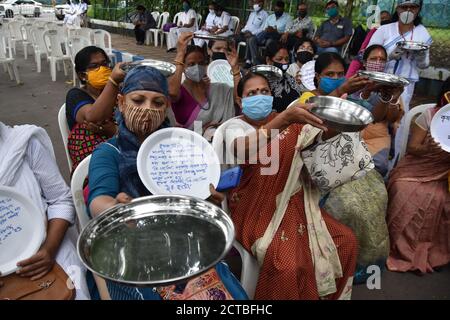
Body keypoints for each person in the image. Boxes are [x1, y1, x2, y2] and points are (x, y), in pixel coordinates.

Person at [87, 65, 248, 300]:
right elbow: (97, 201)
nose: (147, 110)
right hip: (131, 254)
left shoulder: (180, 147)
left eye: (158, 103)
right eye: (138, 100)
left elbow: (189, 193)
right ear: (121, 102)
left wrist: (204, 199)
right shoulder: (109, 152)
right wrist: (116, 208)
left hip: (184, 245)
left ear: (166, 109)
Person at [222, 72, 358, 299]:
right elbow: (242, 150)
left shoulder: (290, 120)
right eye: (252, 93)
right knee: (287, 265)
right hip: (254, 207)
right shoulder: (235, 127)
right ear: (240, 101)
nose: (259, 96)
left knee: (346, 240)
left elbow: (316, 120)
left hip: (294, 200)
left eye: (264, 91)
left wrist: (337, 113)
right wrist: (285, 120)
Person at [298, 52, 391, 284]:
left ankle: (365, 262)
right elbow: (310, 127)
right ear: (318, 77)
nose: (337, 78)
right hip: (319, 168)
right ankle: (339, 263)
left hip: (349, 162)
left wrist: (387, 97)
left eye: (340, 74)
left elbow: (373, 117)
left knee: (378, 195)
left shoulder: (349, 98)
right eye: (330, 74)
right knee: (350, 207)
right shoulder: (306, 98)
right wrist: (340, 91)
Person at [0, 122, 90, 300]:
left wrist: (49, 249)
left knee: (72, 291)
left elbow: (60, 200)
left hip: (46, 249)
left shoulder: (23, 143)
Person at [386, 78, 450, 274]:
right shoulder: (429, 116)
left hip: (444, 173)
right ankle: (403, 251)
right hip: (417, 167)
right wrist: (429, 148)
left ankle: (432, 253)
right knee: (405, 191)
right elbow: (413, 148)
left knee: (441, 199)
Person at [368, 0, 432, 164]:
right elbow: (370, 54)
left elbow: (424, 65)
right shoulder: (384, 30)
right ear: (397, 8)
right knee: (376, 115)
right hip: (381, 80)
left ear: (418, 9)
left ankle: (393, 160)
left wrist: (420, 55)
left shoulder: (422, 33)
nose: (408, 11)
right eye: (405, 7)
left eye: (413, 7)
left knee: (399, 121)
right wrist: (393, 53)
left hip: (405, 84)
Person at [65, 46, 125, 173]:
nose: (102, 69)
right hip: (92, 165)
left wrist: (114, 131)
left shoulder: (120, 93)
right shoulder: (75, 95)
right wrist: (113, 81)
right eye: (94, 66)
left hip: (124, 155)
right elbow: (94, 117)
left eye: (104, 64)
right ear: (82, 75)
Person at [168, 33, 240, 133]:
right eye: (191, 64)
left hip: (220, 139)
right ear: (183, 66)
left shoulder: (219, 89)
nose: (197, 67)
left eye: (201, 63)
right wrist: (180, 54)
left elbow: (239, 98)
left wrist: (235, 67)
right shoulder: (180, 91)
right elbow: (172, 93)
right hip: (191, 142)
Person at [356, 45, 404, 176]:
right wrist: (366, 92)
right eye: (374, 58)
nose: (378, 62)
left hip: (377, 137)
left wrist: (394, 98)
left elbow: (392, 118)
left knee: (379, 166)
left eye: (382, 60)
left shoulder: (391, 84)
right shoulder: (355, 81)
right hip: (352, 133)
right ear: (365, 62)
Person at [346, 10, 392, 78]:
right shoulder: (374, 30)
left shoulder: (392, 32)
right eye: (382, 18)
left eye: (386, 18)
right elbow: (363, 47)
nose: (384, 20)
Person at [264, 42, 304, 113]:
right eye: (279, 59)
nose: (284, 63)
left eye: (287, 59)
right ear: (268, 60)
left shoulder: (290, 78)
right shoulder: (261, 82)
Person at [233, 0, 268, 68]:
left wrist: (251, 33)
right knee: (232, 37)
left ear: (261, 3)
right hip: (245, 33)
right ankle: (231, 58)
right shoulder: (252, 13)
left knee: (250, 39)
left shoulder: (265, 15)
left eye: (256, 2)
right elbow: (247, 25)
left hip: (255, 36)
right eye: (254, 3)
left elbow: (263, 29)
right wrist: (243, 31)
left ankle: (248, 61)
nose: (254, 4)